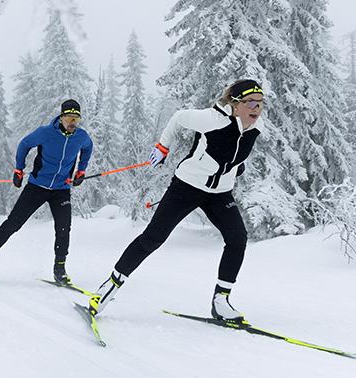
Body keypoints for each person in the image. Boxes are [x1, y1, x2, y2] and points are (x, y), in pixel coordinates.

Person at [86, 79, 265, 322]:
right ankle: (108, 287)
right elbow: (179, 117)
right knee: (153, 238)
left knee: (237, 238)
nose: (256, 108)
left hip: (220, 193)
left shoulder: (257, 125)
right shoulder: (211, 119)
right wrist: (162, 146)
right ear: (235, 104)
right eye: (251, 102)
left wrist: (234, 167)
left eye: (260, 103)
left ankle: (221, 301)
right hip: (187, 186)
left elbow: (235, 150)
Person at [0, 99, 94, 287]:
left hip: (61, 189)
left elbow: (88, 148)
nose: (73, 123)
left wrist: (81, 170)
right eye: (70, 118)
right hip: (37, 187)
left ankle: (59, 270)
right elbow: (24, 144)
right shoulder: (45, 133)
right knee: (14, 222)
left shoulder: (81, 137)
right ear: (62, 117)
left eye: (76, 119)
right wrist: (18, 169)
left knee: (64, 228)